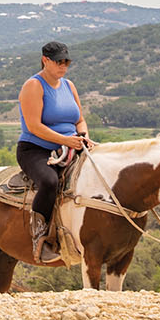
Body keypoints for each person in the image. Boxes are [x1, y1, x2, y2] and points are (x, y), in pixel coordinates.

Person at [17, 41, 93, 259]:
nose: (63, 66)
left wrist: (83, 136)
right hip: (36, 149)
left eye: (66, 61)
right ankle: (40, 236)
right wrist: (65, 140)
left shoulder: (69, 86)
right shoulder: (34, 85)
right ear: (45, 60)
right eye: (59, 61)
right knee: (50, 182)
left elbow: (80, 119)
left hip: (71, 145)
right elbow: (34, 126)